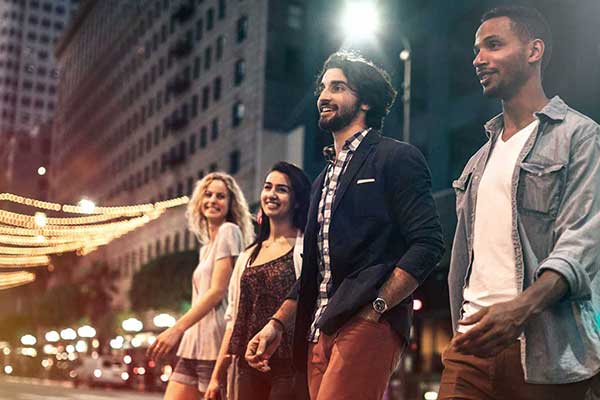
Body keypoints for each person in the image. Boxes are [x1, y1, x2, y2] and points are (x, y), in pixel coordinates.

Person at [245, 51, 445, 400]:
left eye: (337, 87)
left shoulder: (396, 158)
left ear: (365, 100)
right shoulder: (322, 180)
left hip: (365, 322)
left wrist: (378, 308)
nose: (323, 96)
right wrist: (277, 325)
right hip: (317, 329)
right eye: (323, 87)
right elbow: (313, 271)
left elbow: (428, 244)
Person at [439, 5, 600, 400]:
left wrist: (520, 310)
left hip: (548, 350)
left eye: (493, 45)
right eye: (476, 49)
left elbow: (582, 241)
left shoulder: (579, 136)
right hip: (470, 347)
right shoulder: (477, 162)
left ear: (534, 51)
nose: (478, 59)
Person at [205, 161, 311, 400]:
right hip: (248, 366)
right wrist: (217, 376)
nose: (271, 194)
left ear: (297, 200)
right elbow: (233, 320)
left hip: (291, 367)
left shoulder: (305, 249)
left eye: (282, 189)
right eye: (268, 187)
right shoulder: (247, 256)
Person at [147, 172, 254, 400]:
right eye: (208, 194)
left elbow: (217, 292)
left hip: (214, 345)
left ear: (230, 204)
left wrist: (176, 329)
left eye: (221, 196)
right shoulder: (206, 247)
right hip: (192, 344)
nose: (213, 200)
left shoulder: (229, 231)